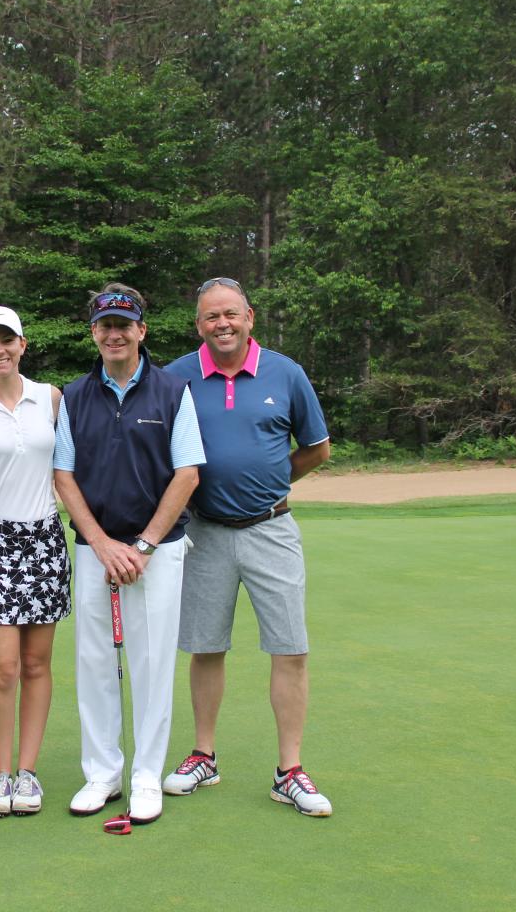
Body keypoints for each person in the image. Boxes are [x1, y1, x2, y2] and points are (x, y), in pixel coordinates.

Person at [161, 276, 334, 816]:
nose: (222, 324)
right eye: (212, 317)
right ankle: (203, 756)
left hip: (271, 528)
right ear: (199, 325)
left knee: (290, 648)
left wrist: (271, 482)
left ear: (249, 317)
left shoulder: (285, 373)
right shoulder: (176, 376)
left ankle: (290, 771)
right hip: (205, 532)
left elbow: (317, 448)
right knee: (206, 646)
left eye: (231, 314)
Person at [53, 284, 205, 825]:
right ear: (93, 333)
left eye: (124, 324)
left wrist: (141, 545)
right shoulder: (73, 395)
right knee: (94, 661)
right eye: (104, 325)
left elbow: (187, 474)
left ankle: (146, 775)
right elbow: (63, 477)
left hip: (157, 551)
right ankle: (102, 774)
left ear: (142, 330)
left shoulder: (172, 390)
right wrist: (100, 542)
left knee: (150, 662)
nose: (114, 334)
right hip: (96, 548)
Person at [0, 306, 70, 817]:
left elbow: (70, 469)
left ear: (23, 344)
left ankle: (28, 771)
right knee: (2, 668)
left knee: (36, 664)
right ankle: (0, 775)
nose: (0, 348)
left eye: (8, 339)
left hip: (44, 539)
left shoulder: (51, 398)